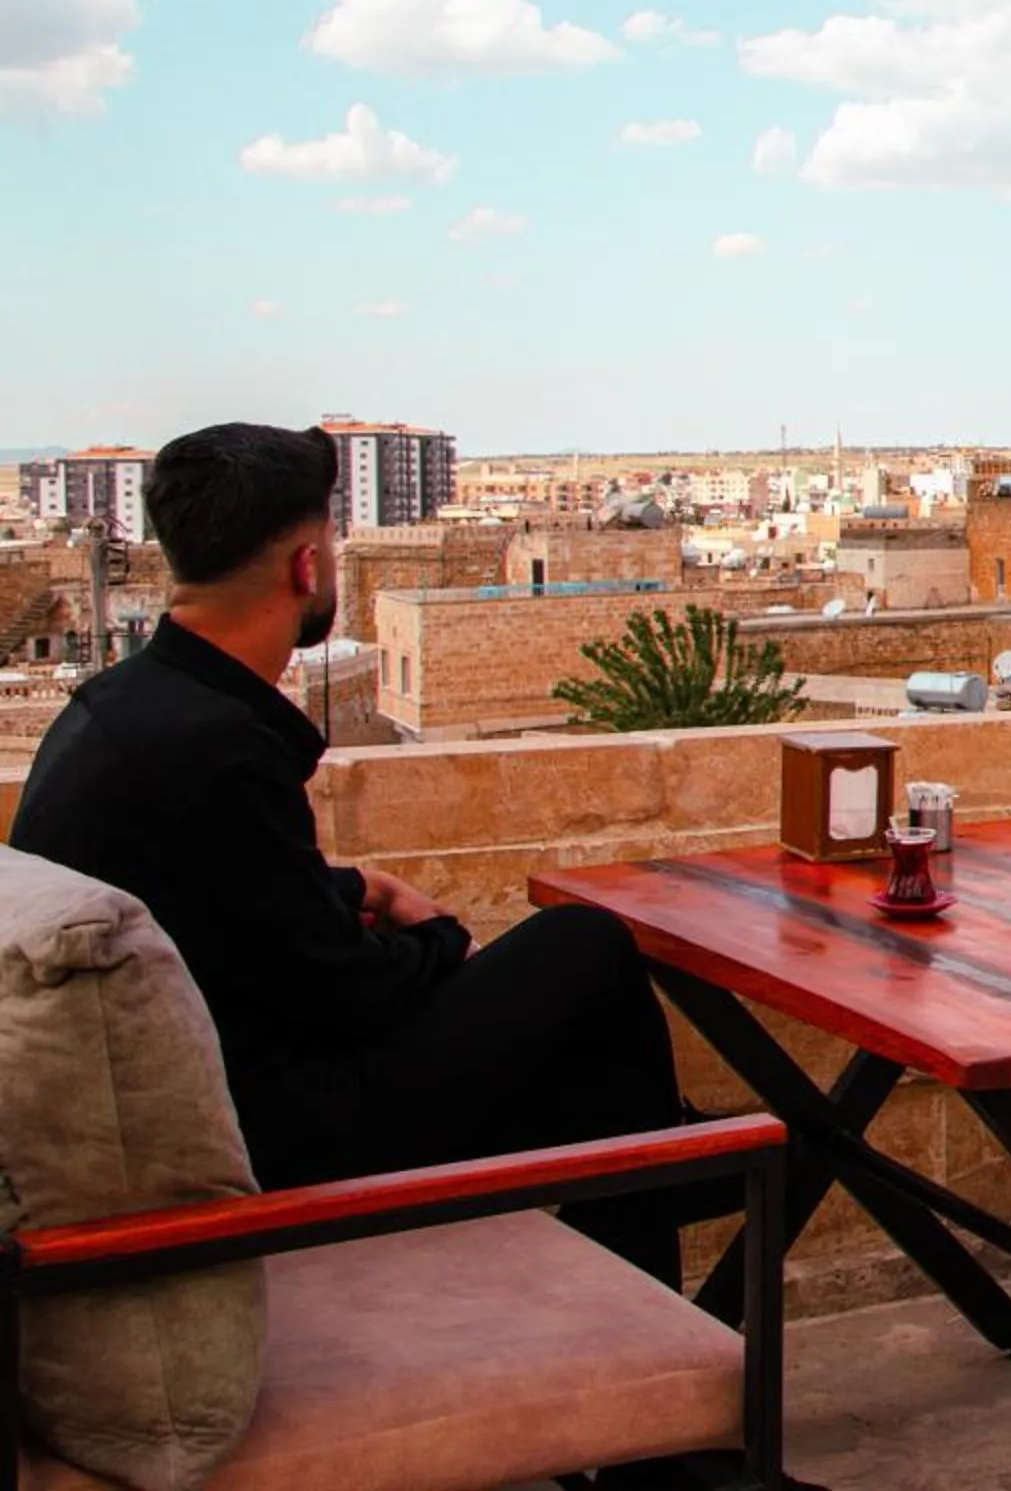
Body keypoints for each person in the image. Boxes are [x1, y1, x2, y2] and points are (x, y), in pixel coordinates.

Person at [9, 423, 690, 1283]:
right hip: (275, 1138)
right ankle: (674, 1211)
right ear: (304, 566)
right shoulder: (218, 749)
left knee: (601, 1099)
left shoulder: (114, 707)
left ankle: (662, 1188)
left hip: (209, 1094)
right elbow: (347, 992)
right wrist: (440, 941)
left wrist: (357, 886)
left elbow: (222, 900)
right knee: (584, 950)